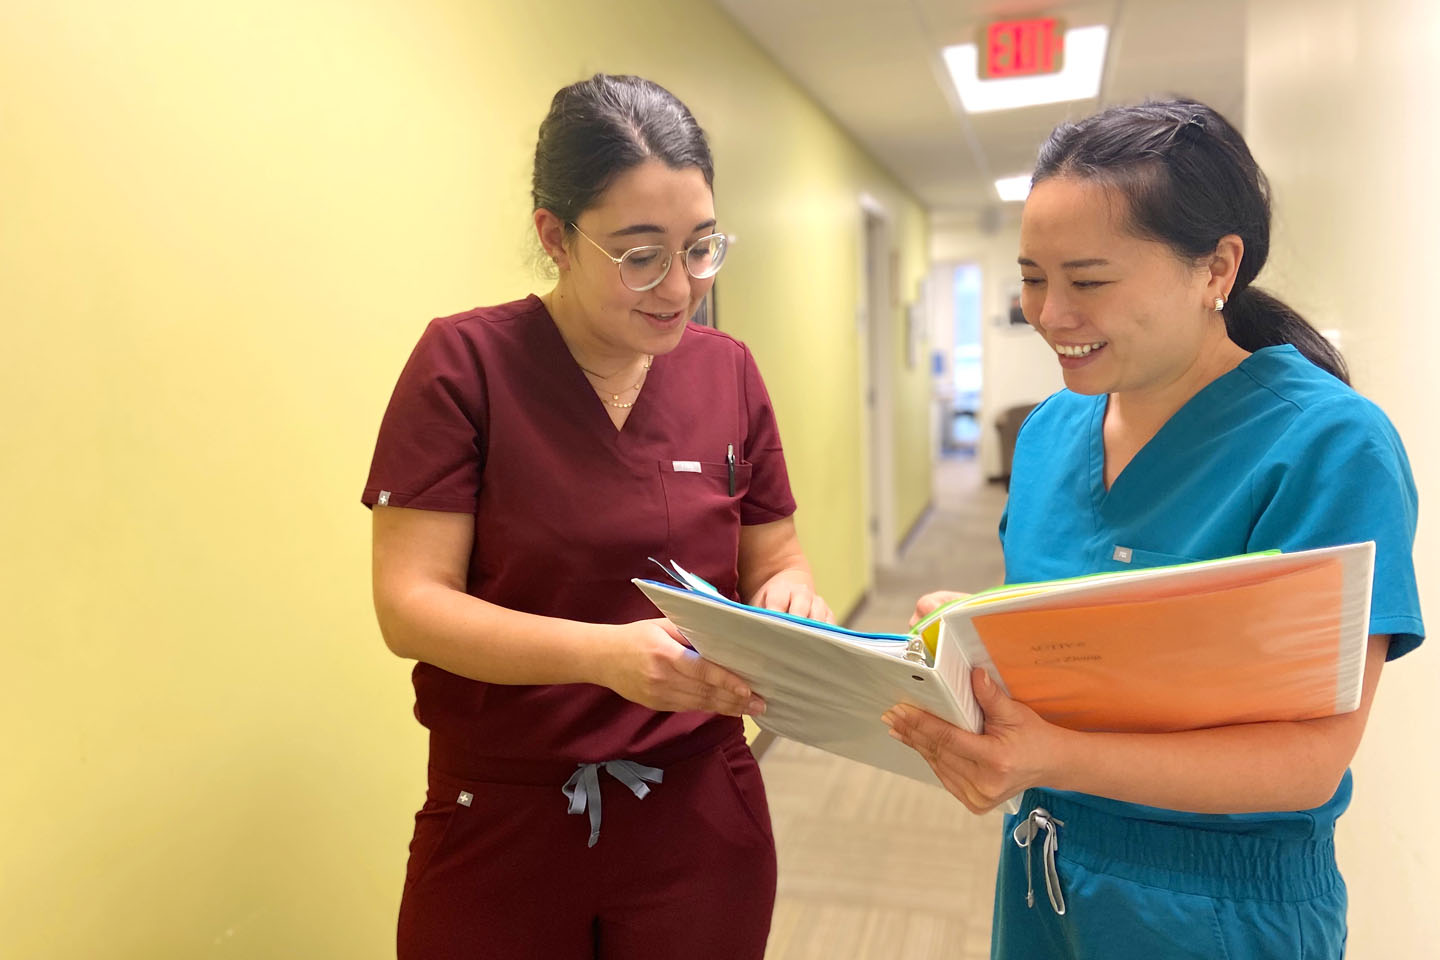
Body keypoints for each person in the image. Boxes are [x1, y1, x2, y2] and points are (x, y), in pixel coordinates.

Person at [883, 98, 1423, 959]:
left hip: (1216, 906)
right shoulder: (1053, 431)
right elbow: (1088, 633)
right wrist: (979, 631)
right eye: (1032, 277)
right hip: (1043, 867)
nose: (1049, 313)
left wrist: (1049, 756)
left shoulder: (1327, 446)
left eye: (1088, 281)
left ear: (1216, 268)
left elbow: (1309, 759)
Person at [362, 73, 830, 960]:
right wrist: (604, 656)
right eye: (640, 254)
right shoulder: (465, 366)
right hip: (503, 814)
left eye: (701, 247)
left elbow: (778, 556)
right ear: (555, 236)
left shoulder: (727, 371)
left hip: (699, 809)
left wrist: (791, 601)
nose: (680, 287)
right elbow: (408, 606)